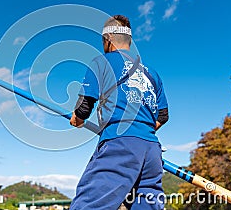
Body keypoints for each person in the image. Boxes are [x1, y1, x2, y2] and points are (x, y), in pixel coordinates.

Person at [69, 15, 169, 210]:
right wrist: (140, 132)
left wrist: (77, 119)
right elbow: (163, 116)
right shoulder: (151, 73)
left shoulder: (101, 62)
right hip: (152, 151)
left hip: (120, 144)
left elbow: (84, 107)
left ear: (108, 40)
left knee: (89, 204)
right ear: (129, 41)